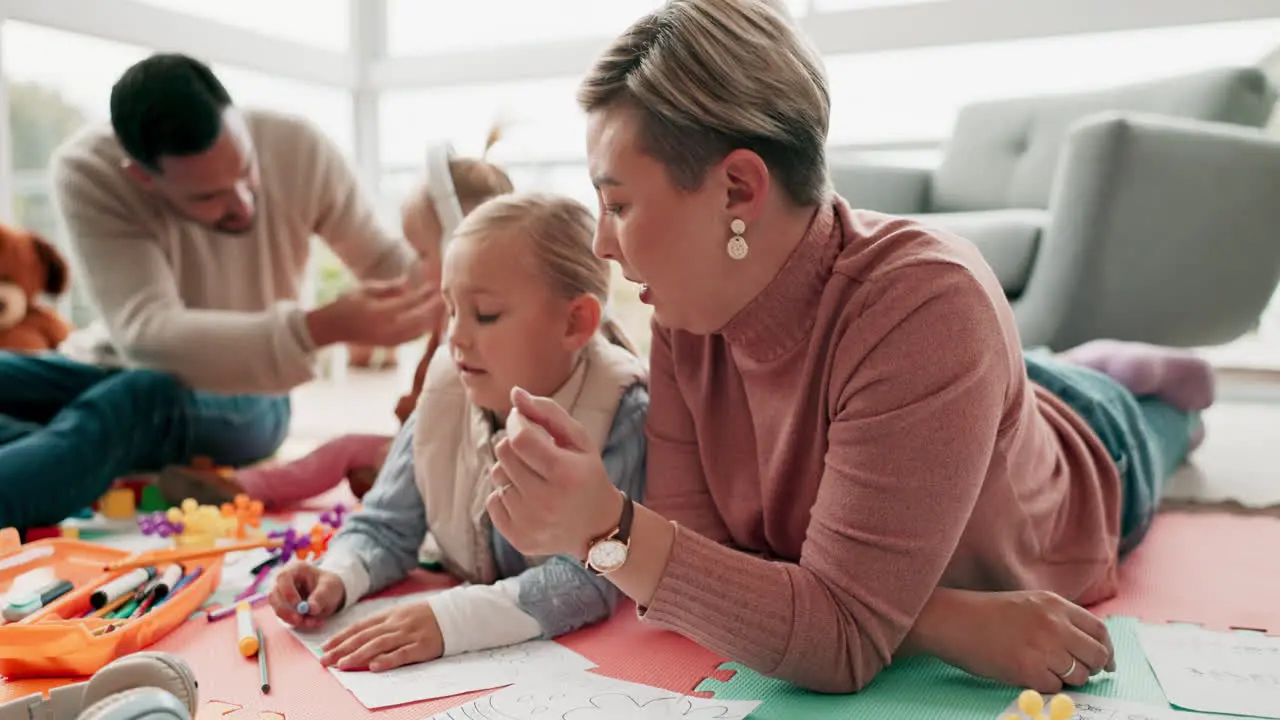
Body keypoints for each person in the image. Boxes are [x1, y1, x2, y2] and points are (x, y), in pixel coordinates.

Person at [484, 0, 1216, 696]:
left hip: (1079, 452)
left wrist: (606, 528)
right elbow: (700, 577)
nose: (601, 244)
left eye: (617, 204)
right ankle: (1062, 364)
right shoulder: (686, 310)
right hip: (940, 399)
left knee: (1145, 422)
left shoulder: (929, 305)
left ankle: (1147, 384)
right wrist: (935, 622)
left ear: (738, 188)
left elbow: (833, 640)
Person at [0, 53, 437, 532]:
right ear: (142, 177)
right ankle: (80, 455)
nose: (243, 203)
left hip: (250, 394)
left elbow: (384, 263)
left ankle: (72, 456)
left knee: (139, 400)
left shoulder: (297, 147)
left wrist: (457, 269)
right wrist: (319, 327)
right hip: (115, 365)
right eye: (208, 197)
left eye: (246, 171)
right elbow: (147, 332)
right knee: (99, 391)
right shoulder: (89, 170)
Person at [268, 193, 649, 671]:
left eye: (485, 314)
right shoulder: (447, 387)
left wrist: (447, 621)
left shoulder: (623, 409)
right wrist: (337, 575)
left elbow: (593, 579)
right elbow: (386, 525)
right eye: (451, 311)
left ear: (575, 323)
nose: (456, 336)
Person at [159, 129, 515, 507]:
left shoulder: (487, 334)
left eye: (421, 253)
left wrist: (416, 419)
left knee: (352, 456)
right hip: (425, 449)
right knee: (345, 450)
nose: (412, 266)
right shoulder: (450, 321)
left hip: (464, 464)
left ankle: (262, 487)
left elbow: (475, 417)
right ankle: (242, 487)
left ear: (458, 249)